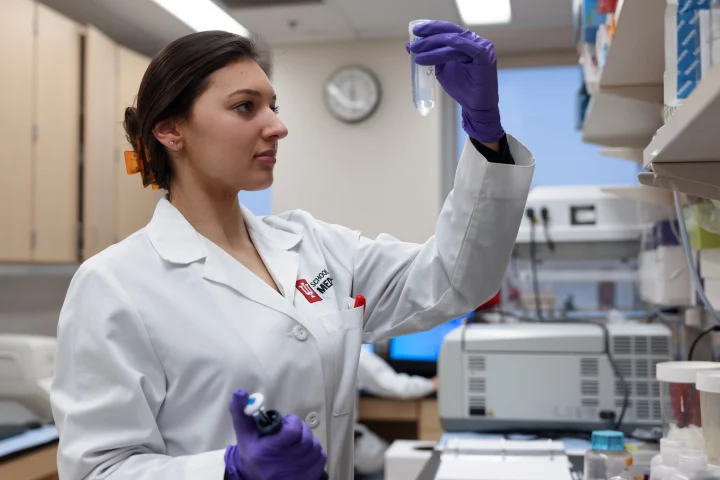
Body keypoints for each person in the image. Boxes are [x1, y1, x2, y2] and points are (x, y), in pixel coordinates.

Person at [50, 20, 535, 480]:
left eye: (273, 107)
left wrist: (485, 135)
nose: (277, 127)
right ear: (170, 130)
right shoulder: (115, 284)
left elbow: (455, 279)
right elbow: (99, 469)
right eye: (245, 107)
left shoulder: (313, 245)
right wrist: (230, 470)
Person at [354, 347, 437, 478]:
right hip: (345, 449)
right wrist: (431, 384)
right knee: (389, 460)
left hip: (316, 452)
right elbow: (394, 386)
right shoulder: (350, 348)